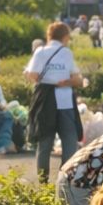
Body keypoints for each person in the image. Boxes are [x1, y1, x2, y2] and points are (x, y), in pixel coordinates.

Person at [25, 22, 84, 182]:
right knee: (69, 140)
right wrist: (65, 81)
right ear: (65, 36)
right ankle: (64, 180)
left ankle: (43, 182)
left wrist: (47, 78)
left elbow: (32, 75)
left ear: (49, 36)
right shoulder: (66, 53)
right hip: (65, 101)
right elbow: (77, 78)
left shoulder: (40, 52)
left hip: (45, 101)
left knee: (44, 141)